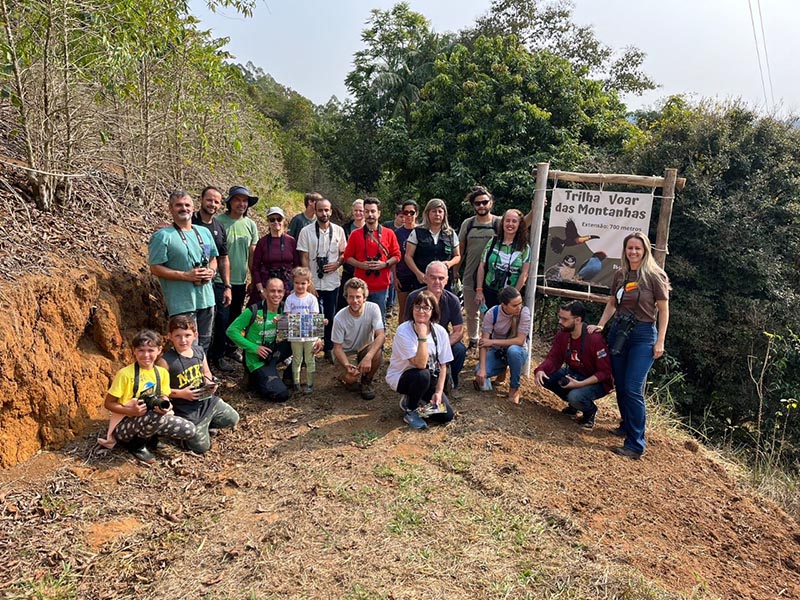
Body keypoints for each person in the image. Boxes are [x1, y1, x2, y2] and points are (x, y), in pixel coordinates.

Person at [588, 232, 670, 460]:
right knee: (622, 384)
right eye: (630, 248)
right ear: (625, 250)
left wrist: (660, 340)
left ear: (645, 250)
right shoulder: (620, 274)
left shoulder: (655, 276)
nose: (633, 252)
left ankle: (635, 444)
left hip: (643, 335)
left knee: (634, 387)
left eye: (638, 248)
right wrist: (602, 325)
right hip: (619, 332)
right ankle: (626, 424)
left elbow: (663, 310)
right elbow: (612, 303)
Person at [101, 330, 196, 464]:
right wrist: (130, 411)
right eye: (141, 350)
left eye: (150, 350)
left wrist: (165, 405)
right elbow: (108, 403)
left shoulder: (161, 373)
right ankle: (137, 445)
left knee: (189, 429)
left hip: (151, 418)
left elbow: (164, 395)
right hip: (124, 427)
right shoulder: (125, 374)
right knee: (154, 416)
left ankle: (152, 438)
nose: (146, 355)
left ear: (159, 350)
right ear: (134, 351)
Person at [149, 190, 218, 353]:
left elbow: (213, 259)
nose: (183, 208)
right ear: (170, 208)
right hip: (182, 303)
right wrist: (186, 276)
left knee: (205, 342)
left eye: (187, 205)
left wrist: (211, 272)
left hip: (207, 299)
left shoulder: (204, 232)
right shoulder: (162, 236)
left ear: (193, 208)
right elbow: (155, 267)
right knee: (187, 345)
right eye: (178, 205)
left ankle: (203, 375)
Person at [158, 315, 239, 453]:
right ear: (170, 336)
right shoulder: (165, 361)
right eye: (178, 336)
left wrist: (210, 383)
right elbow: (160, 391)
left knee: (233, 419)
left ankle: (206, 424)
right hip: (186, 410)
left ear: (195, 335)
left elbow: (206, 372)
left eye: (187, 335)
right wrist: (182, 394)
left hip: (206, 401)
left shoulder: (199, 351)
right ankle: (180, 436)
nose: (183, 340)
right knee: (201, 447)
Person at [533, 301, 613, 430]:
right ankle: (574, 405)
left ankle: (589, 412)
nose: (560, 321)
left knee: (575, 396)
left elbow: (605, 372)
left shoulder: (594, 339)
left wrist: (580, 384)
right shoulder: (563, 334)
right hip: (574, 373)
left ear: (578, 320)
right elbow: (554, 358)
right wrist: (541, 369)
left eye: (564, 319)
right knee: (545, 376)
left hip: (597, 382)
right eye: (560, 317)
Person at [387, 290, 455, 430]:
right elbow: (420, 363)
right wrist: (422, 335)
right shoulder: (403, 331)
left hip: (430, 379)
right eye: (417, 306)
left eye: (426, 308)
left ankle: (420, 408)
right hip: (403, 377)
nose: (421, 311)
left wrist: (438, 392)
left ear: (433, 311)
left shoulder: (440, 331)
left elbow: (443, 365)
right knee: (422, 374)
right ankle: (410, 409)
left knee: (446, 415)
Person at [227, 278, 301, 403]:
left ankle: (288, 376)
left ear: (284, 293)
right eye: (272, 291)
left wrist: (317, 340)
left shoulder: (285, 309)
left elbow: (302, 328)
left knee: (306, 347)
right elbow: (231, 331)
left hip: (274, 352)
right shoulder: (253, 311)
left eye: (279, 291)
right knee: (282, 395)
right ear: (265, 292)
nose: (276, 295)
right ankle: (255, 379)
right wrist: (254, 348)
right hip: (257, 358)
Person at [210, 185, 259, 370]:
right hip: (222, 280)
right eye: (238, 200)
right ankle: (218, 354)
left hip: (240, 280)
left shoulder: (250, 224)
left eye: (245, 200)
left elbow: (252, 254)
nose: (241, 204)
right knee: (221, 318)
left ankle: (231, 348)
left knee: (236, 317)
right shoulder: (219, 222)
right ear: (229, 202)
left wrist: (253, 279)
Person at [402, 261, 466, 392]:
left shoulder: (452, 300)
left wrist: (443, 346)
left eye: (441, 278)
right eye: (433, 277)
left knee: (459, 349)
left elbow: (459, 330)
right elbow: (407, 326)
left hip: (442, 339)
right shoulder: (414, 297)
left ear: (447, 280)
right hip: (418, 338)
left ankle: (452, 380)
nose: (437, 281)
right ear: (425, 278)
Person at [297, 198, 346, 364]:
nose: (324, 213)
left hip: (332, 281)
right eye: (320, 210)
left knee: (331, 316)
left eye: (327, 210)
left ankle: (329, 348)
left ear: (331, 211)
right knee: (311, 316)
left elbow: (343, 253)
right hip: (313, 283)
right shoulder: (306, 231)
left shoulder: (338, 231)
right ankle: (309, 349)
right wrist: (308, 282)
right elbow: (303, 256)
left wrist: (337, 264)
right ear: (315, 211)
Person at [343, 197, 401, 321]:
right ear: (363, 213)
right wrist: (360, 265)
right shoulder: (355, 234)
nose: (370, 215)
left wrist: (384, 264)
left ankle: (379, 340)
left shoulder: (389, 233)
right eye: (367, 211)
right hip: (360, 286)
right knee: (359, 320)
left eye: (373, 211)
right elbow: (347, 257)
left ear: (379, 213)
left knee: (379, 321)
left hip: (381, 285)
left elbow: (397, 255)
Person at [192, 187, 233, 362]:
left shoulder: (218, 227)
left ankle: (214, 358)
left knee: (221, 320)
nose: (213, 204)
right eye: (209, 200)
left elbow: (223, 258)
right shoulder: (189, 220)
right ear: (201, 199)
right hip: (188, 284)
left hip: (213, 283)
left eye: (217, 202)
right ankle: (191, 362)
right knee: (192, 326)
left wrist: (227, 286)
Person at [458, 186, 501, 350]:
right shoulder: (468, 224)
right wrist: (455, 272)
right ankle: (473, 340)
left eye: (485, 202)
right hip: (470, 275)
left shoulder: (499, 222)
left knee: (488, 313)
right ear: (473, 205)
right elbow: (460, 250)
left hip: (492, 278)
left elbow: (521, 225)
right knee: (471, 312)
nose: (481, 206)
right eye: (478, 203)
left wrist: (536, 209)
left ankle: (487, 342)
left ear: (491, 203)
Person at [474, 286, 531, 405]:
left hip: (517, 351)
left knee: (513, 351)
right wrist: (482, 369)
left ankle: (514, 387)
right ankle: (501, 370)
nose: (519, 307)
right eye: (514, 305)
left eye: (520, 303)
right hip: (497, 352)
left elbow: (520, 340)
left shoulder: (524, 312)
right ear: (504, 305)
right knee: (480, 375)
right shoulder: (492, 313)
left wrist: (493, 342)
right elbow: (484, 342)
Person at [331, 277, 385, 400]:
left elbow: (381, 335)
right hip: (347, 352)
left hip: (365, 348)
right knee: (351, 378)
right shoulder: (339, 317)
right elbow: (337, 348)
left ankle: (366, 381)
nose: (355, 301)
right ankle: (346, 378)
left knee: (377, 352)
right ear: (346, 298)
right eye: (351, 297)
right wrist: (346, 365)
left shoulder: (373, 308)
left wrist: (368, 357)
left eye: (358, 297)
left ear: (364, 297)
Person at [475, 208, 531, 311]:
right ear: (503, 222)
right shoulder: (493, 241)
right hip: (489, 291)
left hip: (510, 296)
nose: (510, 224)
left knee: (507, 325)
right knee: (488, 323)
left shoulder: (524, 247)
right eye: (507, 220)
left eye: (514, 221)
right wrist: (479, 290)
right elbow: (482, 266)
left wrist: (514, 296)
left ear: (520, 225)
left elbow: (524, 273)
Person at [404, 198, 461, 292]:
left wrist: (449, 263)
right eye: (434, 211)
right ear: (427, 213)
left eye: (440, 211)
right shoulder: (417, 232)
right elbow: (408, 256)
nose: (437, 214)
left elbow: (458, 256)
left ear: (444, 214)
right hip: (422, 281)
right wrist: (418, 274)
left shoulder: (451, 234)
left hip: (443, 283)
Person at [250, 206, 300, 304]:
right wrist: (260, 290)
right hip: (266, 285)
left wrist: (295, 288)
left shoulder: (291, 241)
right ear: (268, 222)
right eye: (272, 220)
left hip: (286, 287)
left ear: (284, 220)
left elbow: (297, 267)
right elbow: (255, 268)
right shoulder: (262, 242)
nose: (276, 222)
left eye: (279, 219)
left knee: (284, 317)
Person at [284, 267, 323, 394]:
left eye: (303, 283)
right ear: (293, 283)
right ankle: (296, 383)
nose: (300, 286)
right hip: (295, 336)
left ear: (308, 283)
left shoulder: (312, 299)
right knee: (296, 359)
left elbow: (314, 317)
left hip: (309, 336)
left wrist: (318, 337)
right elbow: (287, 316)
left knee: (309, 359)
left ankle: (310, 383)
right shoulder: (290, 299)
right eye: (297, 283)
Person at [394, 199, 419, 324]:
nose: (409, 215)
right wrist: (394, 277)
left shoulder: (421, 231)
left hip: (419, 276)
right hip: (402, 274)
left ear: (417, 214)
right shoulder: (397, 233)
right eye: (406, 212)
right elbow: (393, 257)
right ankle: (401, 339)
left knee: (419, 309)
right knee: (403, 311)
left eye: (412, 212)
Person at [338, 199, 365, 311]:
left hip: (365, 272)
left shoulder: (372, 229)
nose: (358, 213)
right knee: (343, 303)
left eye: (361, 210)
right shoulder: (344, 229)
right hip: (348, 271)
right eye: (356, 210)